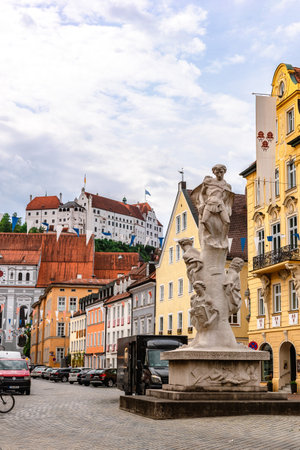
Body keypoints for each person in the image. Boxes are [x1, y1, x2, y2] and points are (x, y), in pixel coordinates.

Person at [191, 164, 234, 249]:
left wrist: (228, 207)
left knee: (227, 222)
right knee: (204, 221)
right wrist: (202, 203)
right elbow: (202, 193)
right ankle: (212, 236)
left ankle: (222, 239)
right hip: (210, 203)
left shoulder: (227, 185)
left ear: (224, 172)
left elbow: (228, 198)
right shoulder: (209, 182)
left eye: (221, 172)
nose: (219, 174)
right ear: (214, 172)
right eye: (217, 172)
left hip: (220, 204)